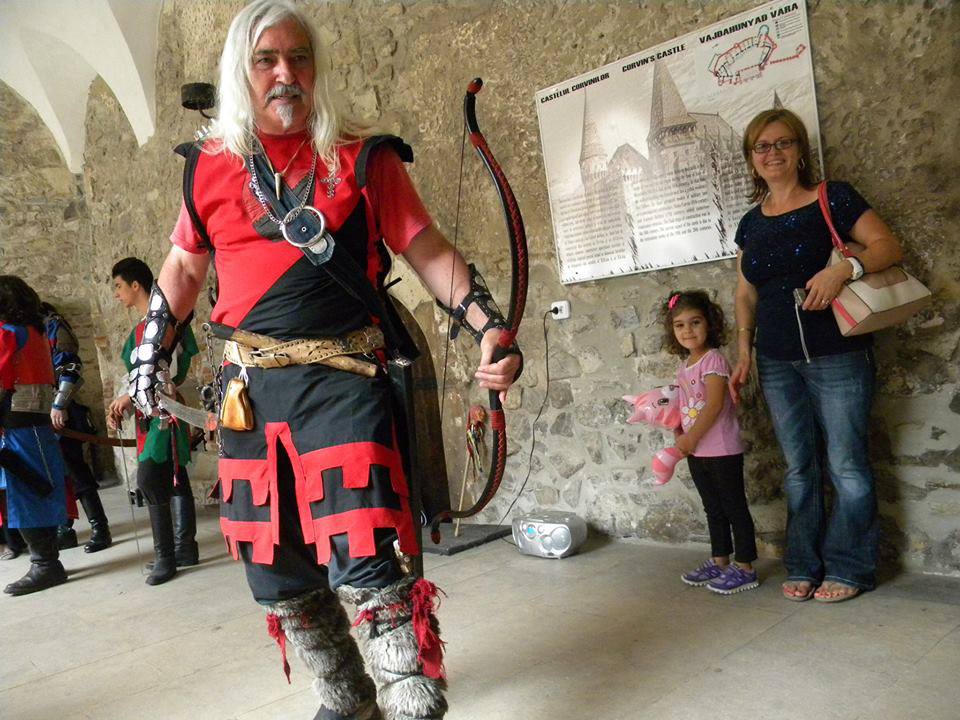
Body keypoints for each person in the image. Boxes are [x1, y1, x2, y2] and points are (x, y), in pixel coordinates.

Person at [126, 2, 521, 718]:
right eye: (266, 60)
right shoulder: (208, 167)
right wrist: (148, 355)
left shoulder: (364, 157)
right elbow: (183, 266)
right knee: (274, 566)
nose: (285, 73)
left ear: (316, 68)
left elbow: (427, 250)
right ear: (241, 72)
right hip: (248, 395)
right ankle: (345, 696)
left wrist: (489, 326)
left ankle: (410, 699)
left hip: (344, 381)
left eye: (299, 57)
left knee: (365, 547)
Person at [730, 108, 904, 603]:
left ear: (800, 150)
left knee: (847, 464)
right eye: (762, 146)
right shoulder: (750, 223)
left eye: (782, 143)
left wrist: (844, 269)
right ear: (752, 158)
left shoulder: (833, 197)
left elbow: (887, 247)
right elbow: (745, 292)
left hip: (838, 353)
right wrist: (744, 350)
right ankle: (804, 563)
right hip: (776, 360)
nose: (773, 153)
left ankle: (850, 567)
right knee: (798, 468)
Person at [107, 258, 200, 585]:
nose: (116, 293)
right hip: (146, 413)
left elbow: (167, 370)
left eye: (119, 286)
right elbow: (135, 372)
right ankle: (185, 548)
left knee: (149, 478)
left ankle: (167, 557)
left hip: (164, 411)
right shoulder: (139, 329)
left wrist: (130, 397)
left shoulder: (164, 323)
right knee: (175, 477)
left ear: (136, 285)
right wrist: (126, 400)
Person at [663, 291, 759, 595]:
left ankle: (745, 567)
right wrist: (679, 431)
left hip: (721, 448)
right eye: (679, 325)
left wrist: (691, 437)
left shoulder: (713, 360)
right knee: (712, 507)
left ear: (710, 323)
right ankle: (720, 560)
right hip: (697, 451)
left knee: (733, 506)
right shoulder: (685, 365)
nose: (687, 331)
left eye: (695, 322)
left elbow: (715, 404)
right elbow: (684, 404)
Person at [0, 276, 69, 596]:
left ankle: (45, 564)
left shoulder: (9, 333)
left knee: (27, 493)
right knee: (35, 489)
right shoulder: (36, 331)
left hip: (19, 426)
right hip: (34, 425)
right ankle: (46, 561)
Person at [42, 302, 113, 553]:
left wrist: (59, 404)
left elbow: (70, 367)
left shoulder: (52, 325)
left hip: (58, 409)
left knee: (75, 469)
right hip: (35, 415)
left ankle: (100, 527)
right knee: (50, 474)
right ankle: (64, 529)